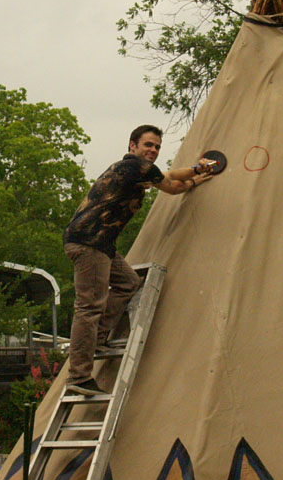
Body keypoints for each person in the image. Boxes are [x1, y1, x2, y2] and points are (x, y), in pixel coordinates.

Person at [63, 124, 214, 396]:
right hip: (90, 242)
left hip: (100, 243)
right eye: (148, 145)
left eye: (156, 146)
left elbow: (167, 175)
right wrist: (195, 179)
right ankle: (79, 376)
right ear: (132, 145)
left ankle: (96, 340)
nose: (153, 150)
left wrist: (195, 170)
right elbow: (170, 186)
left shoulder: (133, 170)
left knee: (128, 282)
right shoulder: (136, 167)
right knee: (89, 307)